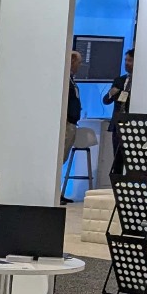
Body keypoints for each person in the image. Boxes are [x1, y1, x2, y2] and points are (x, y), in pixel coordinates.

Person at [104, 47, 134, 180]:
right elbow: (106, 101)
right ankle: (116, 185)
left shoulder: (140, 82)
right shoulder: (119, 80)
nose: (126, 63)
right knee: (117, 157)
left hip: (131, 125)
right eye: (125, 60)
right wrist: (111, 93)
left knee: (130, 158)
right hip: (117, 125)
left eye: (130, 61)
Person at [61, 49, 82, 203]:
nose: (79, 66)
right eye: (79, 62)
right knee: (60, 158)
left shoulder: (71, 80)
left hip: (72, 123)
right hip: (67, 123)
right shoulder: (64, 81)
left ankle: (59, 192)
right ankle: (56, 194)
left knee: (63, 159)